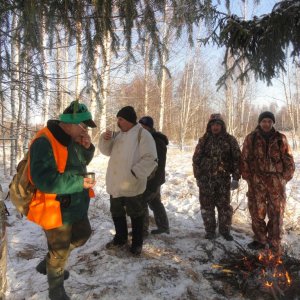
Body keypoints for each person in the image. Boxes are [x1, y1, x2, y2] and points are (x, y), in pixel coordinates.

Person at [29, 101, 97, 300]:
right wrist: (79, 182)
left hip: (76, 205)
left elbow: (79, 162)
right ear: (70, 122)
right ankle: (56, 291)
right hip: (55, 207)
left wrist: (88, 148)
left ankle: (51, 262)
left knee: (83, 234)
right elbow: (44, 180)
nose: (85, 131)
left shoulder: (72, 138)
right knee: (59, 252)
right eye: (83, 126)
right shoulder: (44, 141)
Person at [99, 106, 157, 255]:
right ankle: (120, 238)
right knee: (116, 213)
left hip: (132, 184)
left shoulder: (143, 135)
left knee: (136, 215)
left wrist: (135, 173)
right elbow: (106, 152)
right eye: (118, 119)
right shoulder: (119, 135)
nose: (118, 122)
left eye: (121, 119)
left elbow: (151, 158)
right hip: (115, 183)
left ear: (129, 120)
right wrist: (105, 140)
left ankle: (137, 244)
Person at [241, 111, 295, 253]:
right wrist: (247, 177)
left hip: (276, 181)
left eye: (269, 121)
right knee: (256, 212)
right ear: (259, 122)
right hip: (256, 181)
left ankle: (274, 241)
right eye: (264, 121)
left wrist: (285, 177)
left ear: (273, 123)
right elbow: (244, 158)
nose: (266, 124)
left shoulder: (280, 139)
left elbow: (288, 159)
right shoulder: (251, 138)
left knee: (276, 212)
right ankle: (260, 240)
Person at [192, 113, 241, 241]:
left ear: (222, 125)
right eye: (213, 124)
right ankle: (210, 231)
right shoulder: (204, 140)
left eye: (218, 124)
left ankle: (225, 231)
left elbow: (237, 160)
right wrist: (198, 176)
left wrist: (235, 178)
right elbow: (196, 159)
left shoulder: (230, 140)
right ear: (209, 126)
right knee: (207, 207)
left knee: (224, 207)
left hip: (223, 180)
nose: (215, 127)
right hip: (206, 180)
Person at [139, 116, 170, 235]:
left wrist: (155, 183)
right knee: (155, 202)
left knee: (142, 201)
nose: (141, 129)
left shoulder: (157, 141)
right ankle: (163, 227)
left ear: (149, 127)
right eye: (140, 127)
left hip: (153, 179)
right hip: (146, 177)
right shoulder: (144, 139)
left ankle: (142, 230)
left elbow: (160, 165)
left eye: (144, 127)